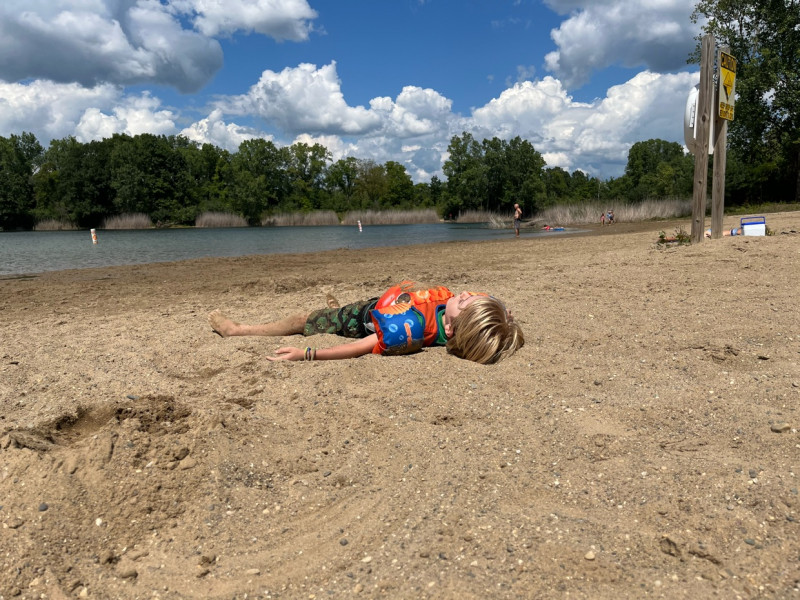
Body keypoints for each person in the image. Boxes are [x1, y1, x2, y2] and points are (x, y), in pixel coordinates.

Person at [208, 280, 524, 365]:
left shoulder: (412, 332)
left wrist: (308, 354)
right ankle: (336, 307)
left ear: (451, 329)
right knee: (348, 307)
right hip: (381, 305)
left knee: (303, 320)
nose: (466, 294)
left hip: (360, 320)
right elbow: (496, 318)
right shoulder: (463, 322)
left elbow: (360, 347)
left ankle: (237, 331)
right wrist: (504, 320)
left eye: (465, 302)